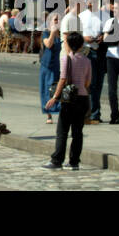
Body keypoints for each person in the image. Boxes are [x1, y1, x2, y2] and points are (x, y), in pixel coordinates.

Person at [43, 31, 91, 169]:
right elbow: (88, 82)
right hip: (82, 98)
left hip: (69, 100)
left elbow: (62, 80)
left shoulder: (66, 59)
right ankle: (74, 161)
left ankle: (57, 160)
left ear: (68, 45)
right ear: (82, 45)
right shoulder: (87, 61)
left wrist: (54, 97)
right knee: (77, 132)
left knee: (62, 131)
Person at [79, 0, 106, 123]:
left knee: (99, 83)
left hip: (100, 51)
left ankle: (95, 112)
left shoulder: (103, 15)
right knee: (91, 83)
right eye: (90, 2)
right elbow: (77, 34)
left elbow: (109, 31)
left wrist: (103, 37)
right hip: (87, 51)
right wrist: (85, 38)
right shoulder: (82, 16)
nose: (92, 4)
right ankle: (93, 113)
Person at [39, 12, 61, 123]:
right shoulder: (46, 33)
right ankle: (48, 114)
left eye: (58, 20)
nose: (57, 21)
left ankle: (59, 111)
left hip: (58, 65)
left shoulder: (62, 33)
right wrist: (52, 32)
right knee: (47, 89)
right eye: (55, 19)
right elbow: (48, 44)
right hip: (47, 65)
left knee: (57, 89)